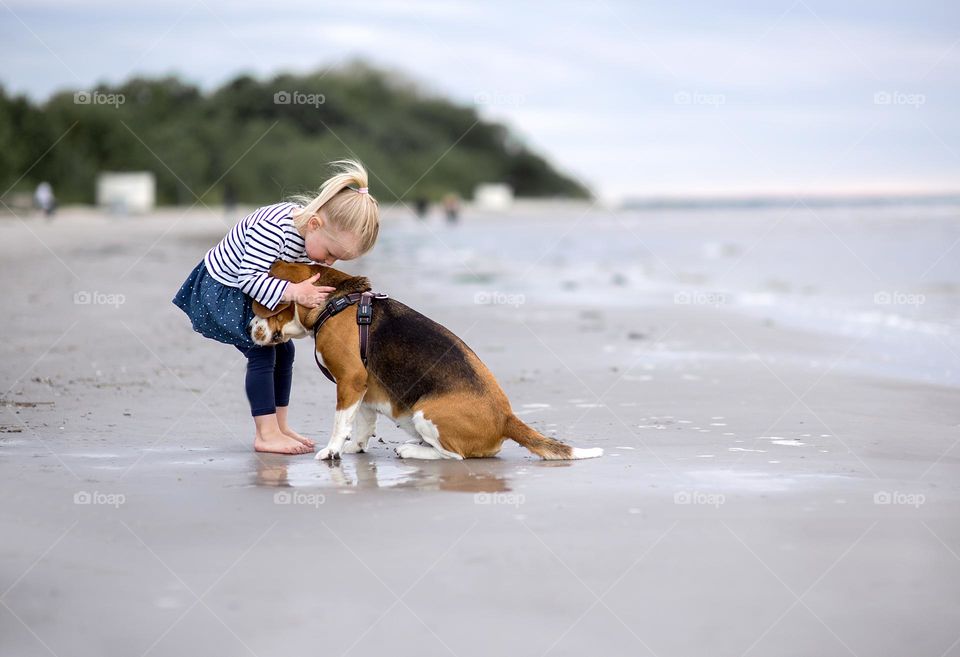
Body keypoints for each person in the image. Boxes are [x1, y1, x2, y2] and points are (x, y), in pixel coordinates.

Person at [172, 160, 380, 454]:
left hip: (255, 289)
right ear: (315, 224)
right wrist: (294, 291)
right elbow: (249, 278)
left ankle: (280, 426)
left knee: (285, 350)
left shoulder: (309, 236)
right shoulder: (274, 230)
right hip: (225, 290)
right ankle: (265, 433)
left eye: (338, 260)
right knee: (262, 352)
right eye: (331, 253)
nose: (328, 263)